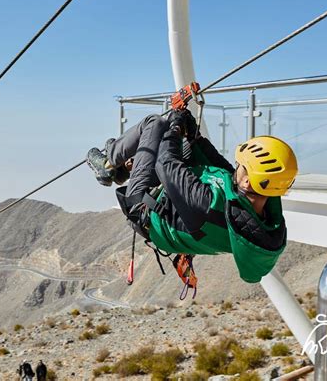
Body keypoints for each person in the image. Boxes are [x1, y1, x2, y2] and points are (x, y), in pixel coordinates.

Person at [87, 110, 297, 283]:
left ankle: (108, 164)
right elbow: (221, 170)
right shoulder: (258, 210)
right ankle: (126, 168)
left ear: (248, 181)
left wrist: (176, 127)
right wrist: (193, 134)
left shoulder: (209, 204)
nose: (237, 167)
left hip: (144, 207)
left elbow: (166, 163)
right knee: (177, 141)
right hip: (173, 206)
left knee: (155, 124)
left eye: (242, 166)